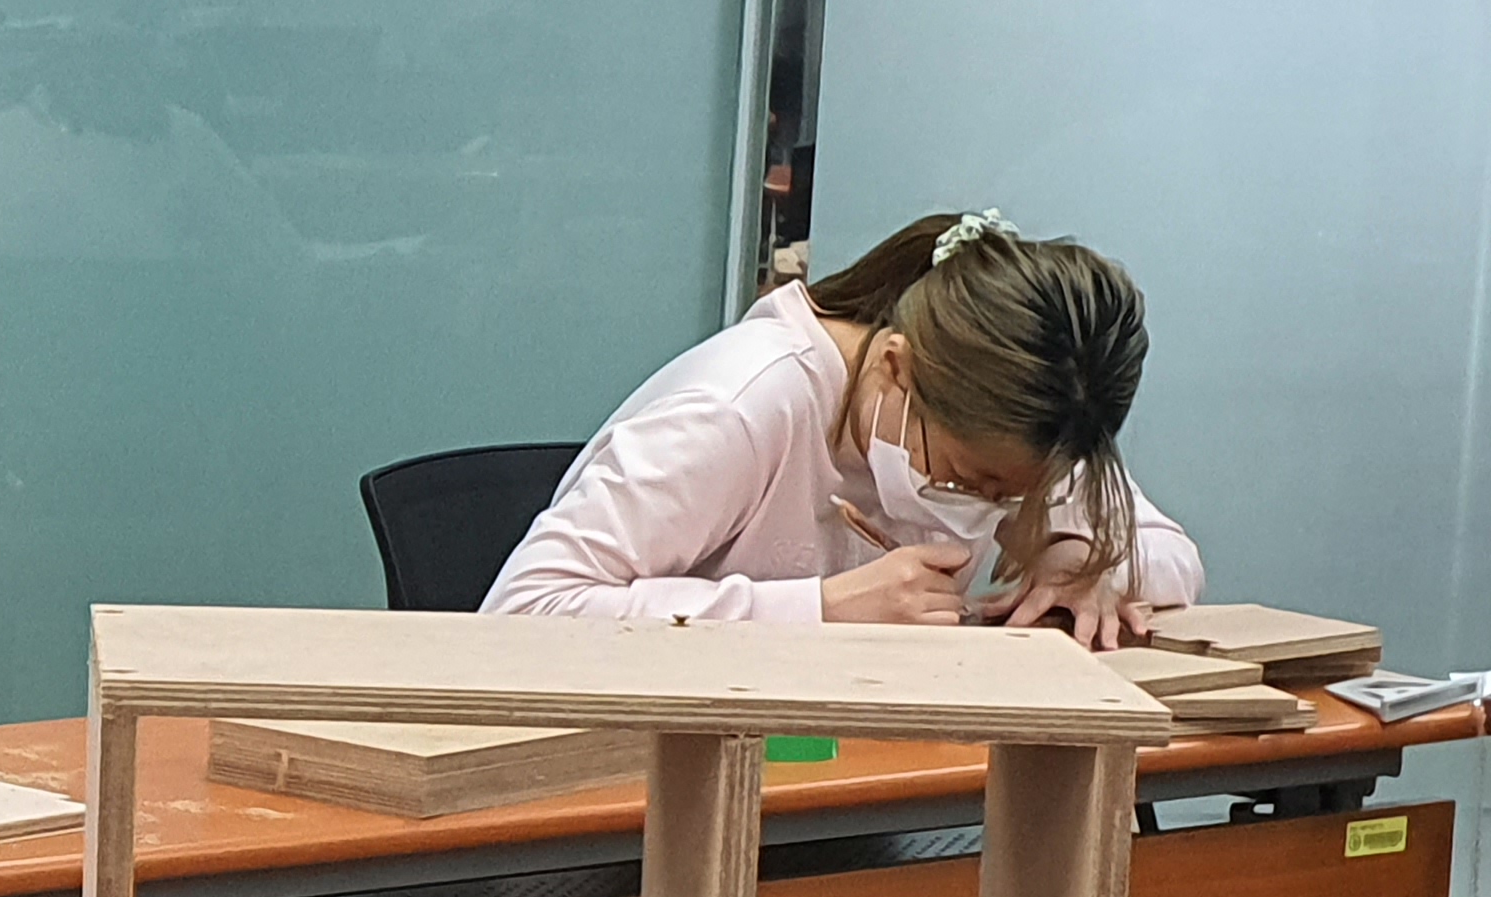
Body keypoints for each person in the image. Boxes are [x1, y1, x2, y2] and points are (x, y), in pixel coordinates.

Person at [485, 209, 1202, 642]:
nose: (986, 508)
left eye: (1010, 496)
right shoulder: (741, 407)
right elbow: (523, 611)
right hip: (645, 785)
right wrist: (820, 608)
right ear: (896, 367)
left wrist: (1083, 563)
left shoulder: (1028, 414)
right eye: (969, 478)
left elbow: (1172, 555)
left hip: (839, 777)